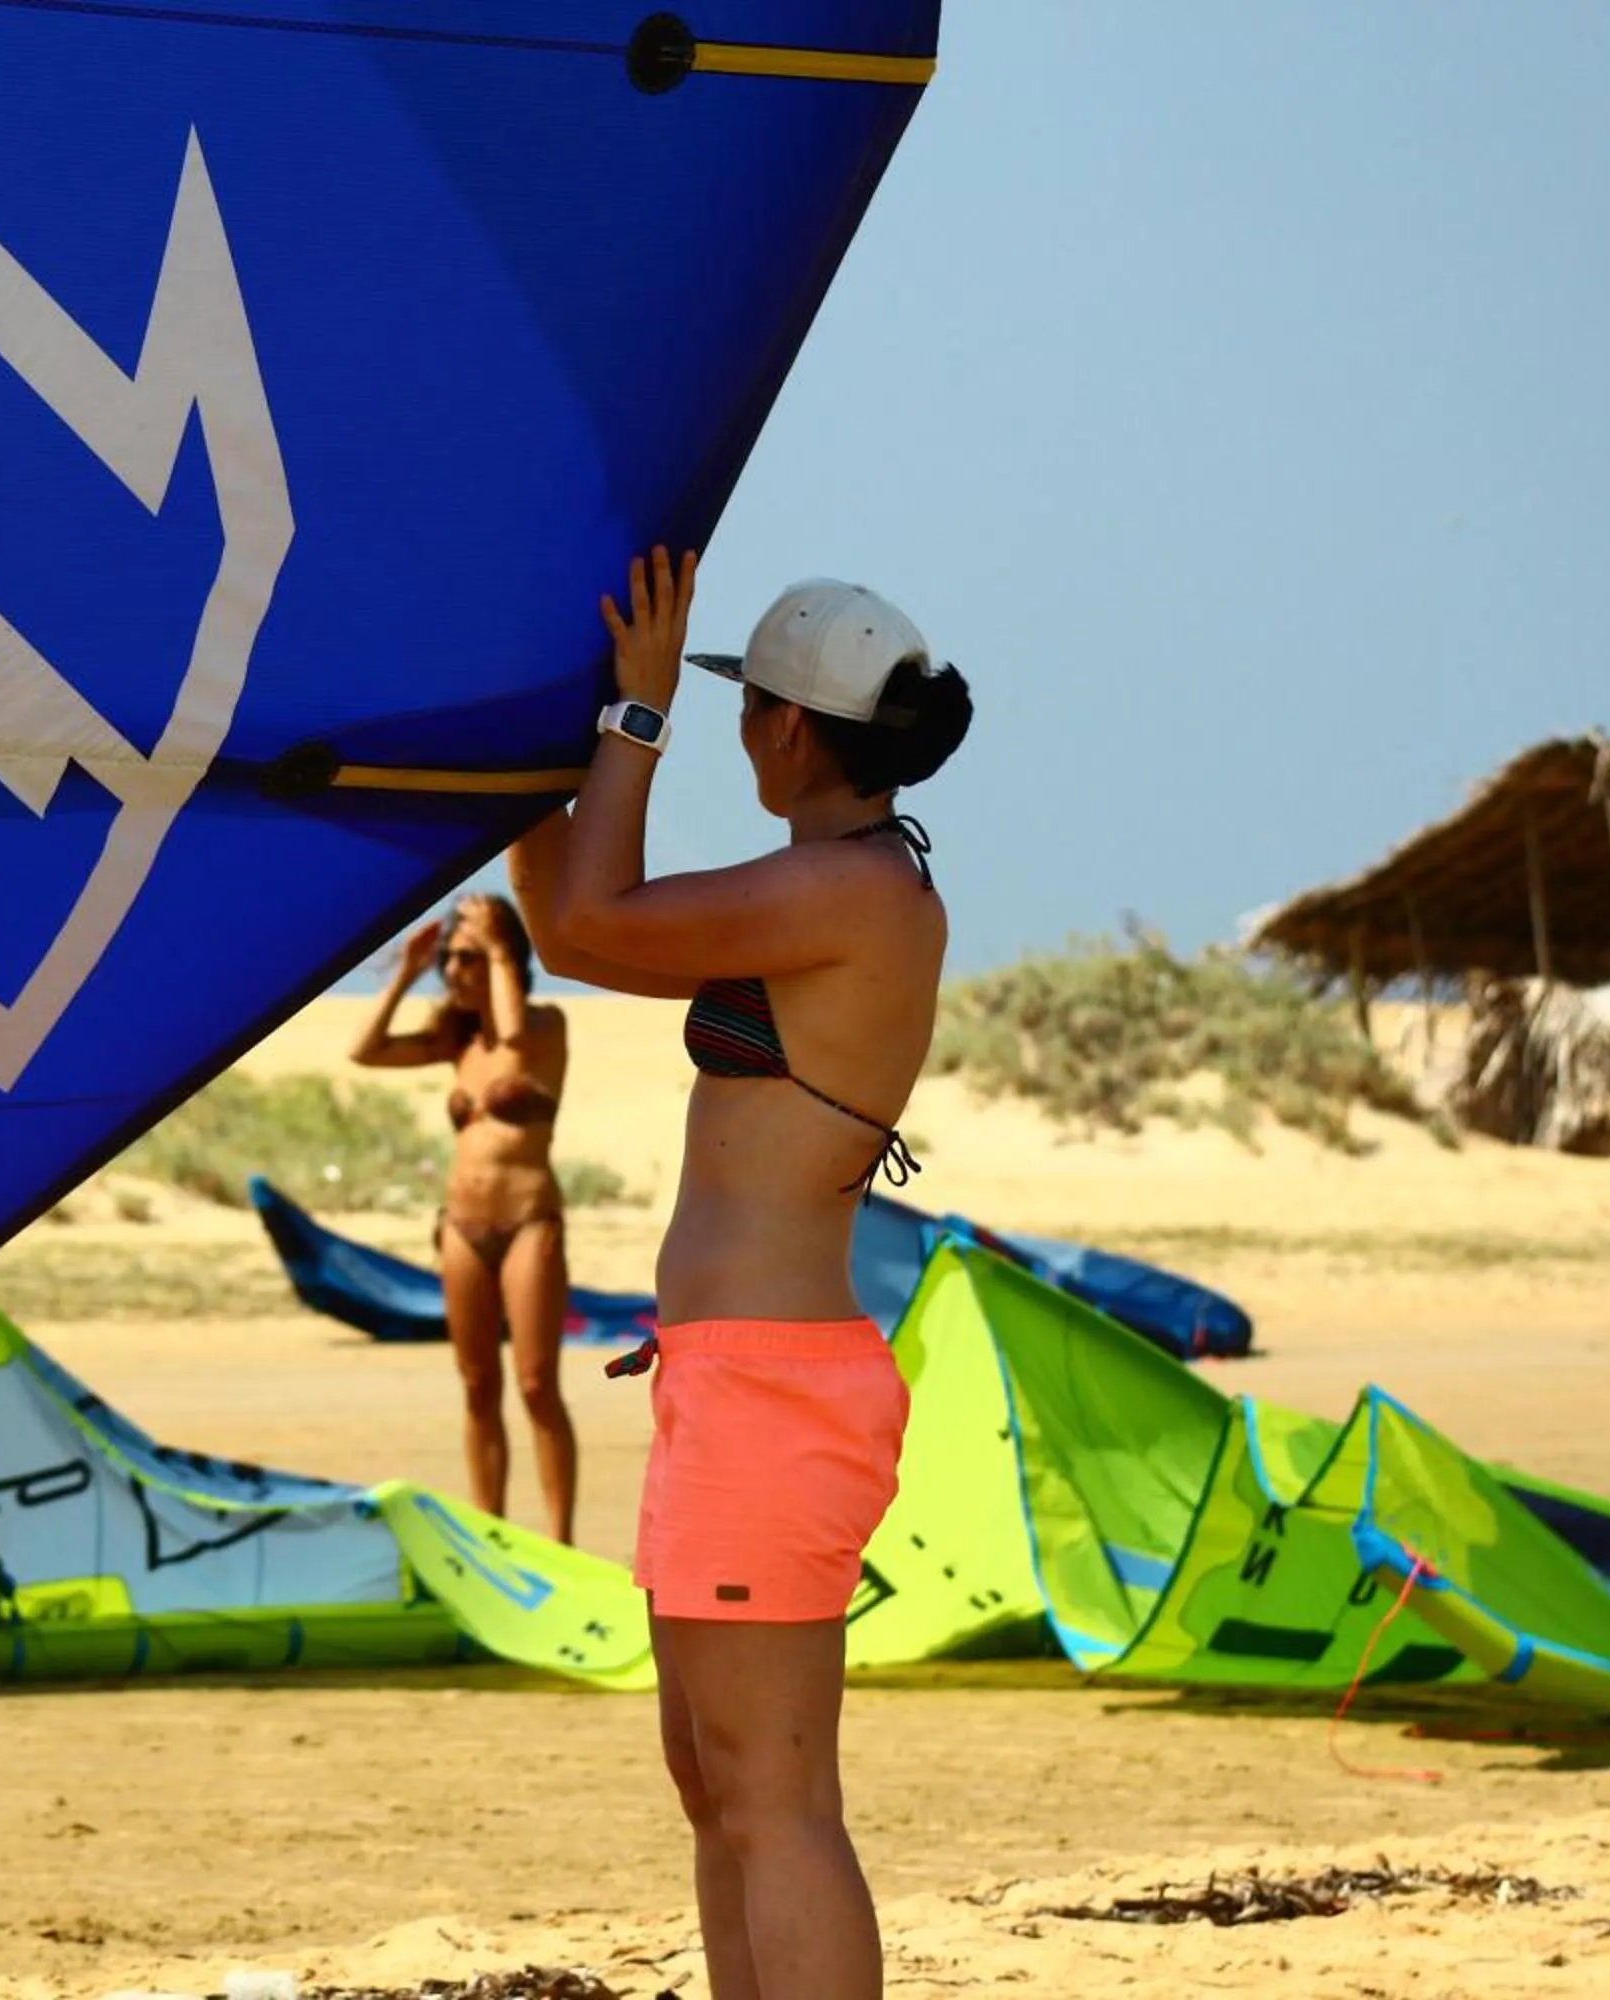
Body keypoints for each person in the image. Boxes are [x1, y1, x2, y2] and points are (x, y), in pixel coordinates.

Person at [508, 548, 971, 2000]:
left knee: (776, 1804)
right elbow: (570, 919)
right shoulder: (835, 884)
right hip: (733, 1377)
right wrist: (539, 760)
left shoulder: (852, 895)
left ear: (783, 726)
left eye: (734, 707)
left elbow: (588, 925)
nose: (728, 730)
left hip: (774, 1391)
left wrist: (629, 725)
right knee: (716, 1788)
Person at [347, 891, 579, 1544]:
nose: (455, 971)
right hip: (461, 1229)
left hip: (530, 1222)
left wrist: (500, 944)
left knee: (535, 1384)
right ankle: (491, 1535)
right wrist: (405, 972)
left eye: (468, 959)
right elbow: (364, 1050)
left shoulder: (544, 1029)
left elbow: (510, 1032)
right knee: (478, 1385)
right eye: (451, 960)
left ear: (505, 960)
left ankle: (560, 1541)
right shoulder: (456, 1043)